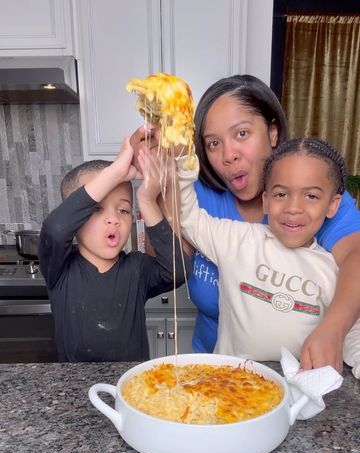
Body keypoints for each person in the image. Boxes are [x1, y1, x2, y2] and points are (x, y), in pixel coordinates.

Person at [130, 75, 360, 373]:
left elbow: (355, 262)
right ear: (266, 200)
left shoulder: (316, 191)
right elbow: (168, 262)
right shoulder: (216, 216)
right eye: (213, 143)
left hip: (294, 379)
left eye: (241, 134)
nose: (228, 155)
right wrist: (164, 179)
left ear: (273, 133)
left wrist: (334, 329)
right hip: (218, 372)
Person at [38, 137, 191, 363]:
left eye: (123, 210)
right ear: (75, 214)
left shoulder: (137, 268)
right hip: (74, 386)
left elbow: (179, 270)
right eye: (97, 208)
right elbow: (55, 229)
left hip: (129, 386)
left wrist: (147, 201)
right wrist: (116, 172)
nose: (114, 220)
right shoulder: (60, 269)